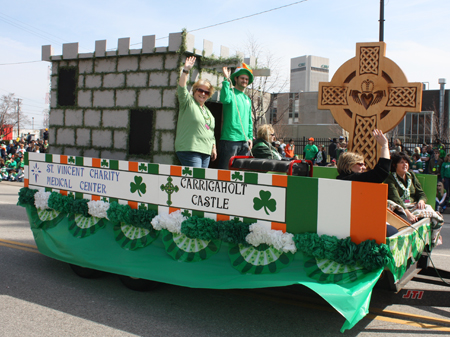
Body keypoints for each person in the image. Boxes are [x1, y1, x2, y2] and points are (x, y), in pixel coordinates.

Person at [174, 56, 216, 168]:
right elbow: (182, 88)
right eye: (200, 90)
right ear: (194, 90)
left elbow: (211, 131)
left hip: (205, 151)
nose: (203, 94)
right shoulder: (188, 102)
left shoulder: (207, 111)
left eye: (206, 92)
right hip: (190, 149)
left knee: (200, 183)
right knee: (196, 180)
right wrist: (186, 70)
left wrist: (213, 147)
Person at [218, 63, 254, 169]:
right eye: (242, 78)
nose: (245, 81)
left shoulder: (248, 99)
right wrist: (226, 79)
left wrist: (250, 137)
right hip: (230, 139)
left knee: (240, 172)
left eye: (247, 79)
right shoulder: (230, 92)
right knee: (225, 170)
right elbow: (224, 99)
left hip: (245, 141)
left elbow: (249, 121)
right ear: (236, 79)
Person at [385, 152, 427, 223]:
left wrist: (421, 200)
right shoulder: (390, 179)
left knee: (432, 215)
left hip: (413, 206)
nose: (405, 165)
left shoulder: (411, 175)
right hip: (400, 209)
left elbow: (421, 193)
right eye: (402, 162)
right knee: (405, 221)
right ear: (394, 165)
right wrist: (408, 214)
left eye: (406, 162)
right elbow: (396, 199)